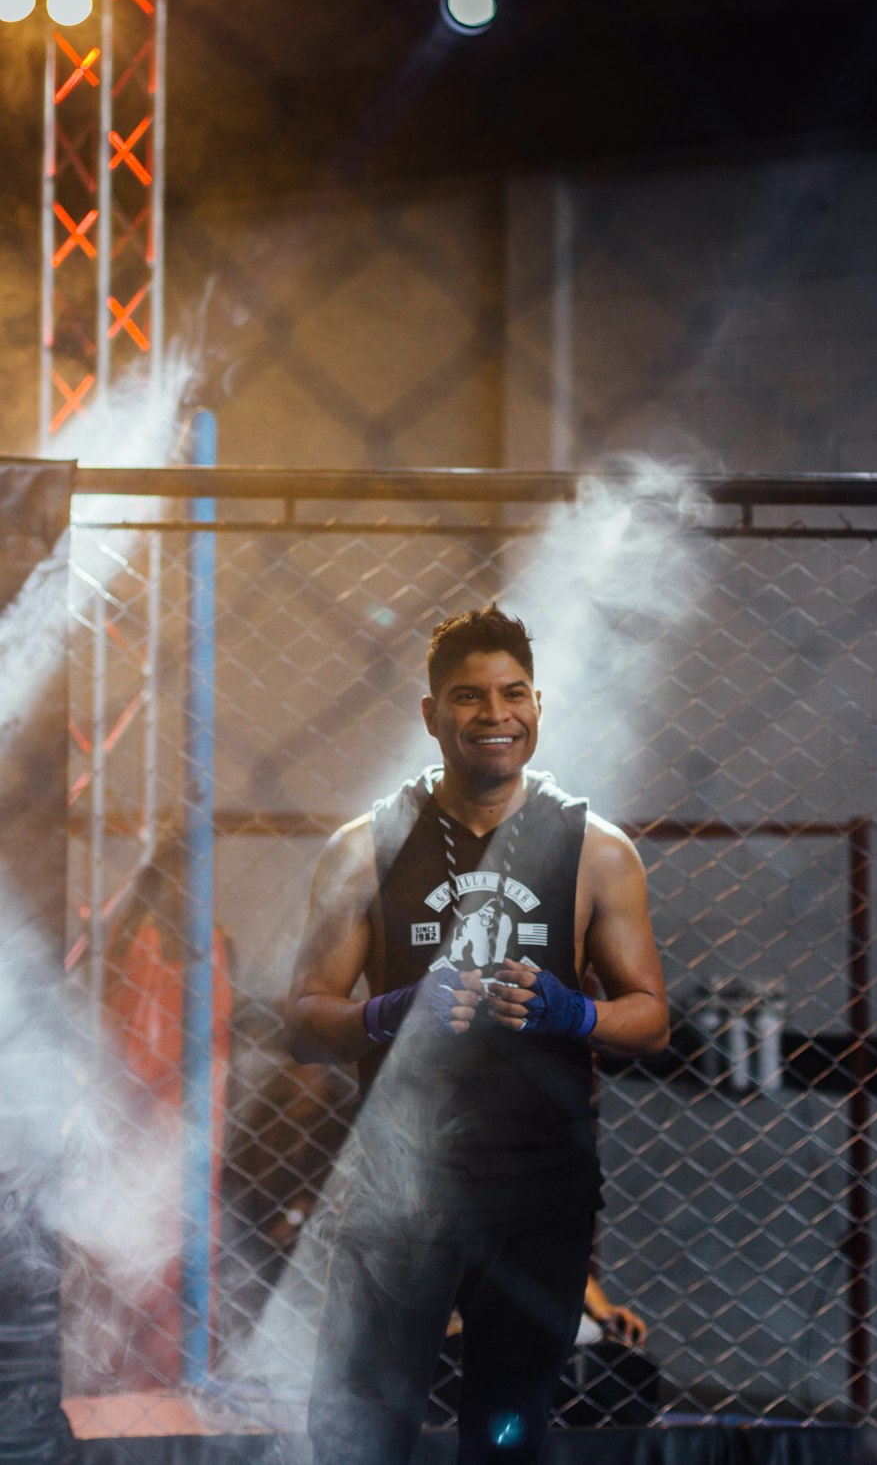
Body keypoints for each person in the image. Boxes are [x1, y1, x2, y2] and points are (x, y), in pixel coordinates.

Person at [285, 604, 669, 1465]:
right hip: (400, 1187)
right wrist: (391, 1011)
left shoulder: (596, 850)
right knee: (357, 1433)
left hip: (537, 1195)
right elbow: (304, 1020)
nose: (495, 715)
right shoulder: (368, 848)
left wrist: (574, 1013)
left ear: (539, 704)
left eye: (513, 693)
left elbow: (651, 1016)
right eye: (468, 697)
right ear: (431, 715)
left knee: (506, 1429)